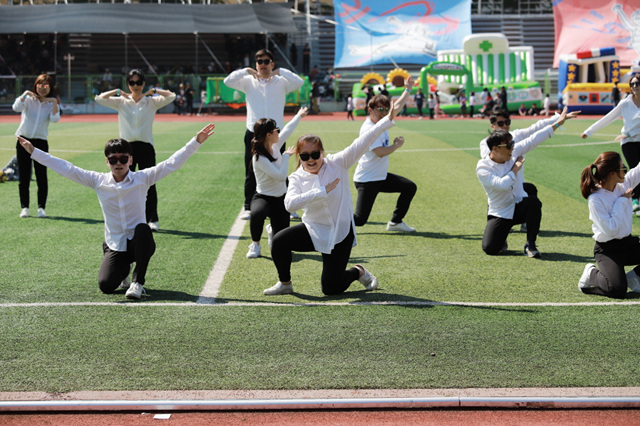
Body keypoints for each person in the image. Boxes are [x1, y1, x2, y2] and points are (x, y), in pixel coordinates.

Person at [17, 124, 216, 299]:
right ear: (107, 162)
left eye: (123, 158)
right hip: (116, 244)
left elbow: (171, 163)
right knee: (106, 286)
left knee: (143, 229)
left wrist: (196, 142)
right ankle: (123, 270)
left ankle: (138, 283)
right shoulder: (98, 181)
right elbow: (67, 168)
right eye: (113, 160)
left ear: (130, 160)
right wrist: (34, 152)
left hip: (139, 242)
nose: (118, 163)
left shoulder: (143, 178)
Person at [263, 103, 399, 296]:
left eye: (315, 154)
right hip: (314, 229)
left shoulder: (338, 163)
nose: (311, 159)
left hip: (340, 233)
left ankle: (358, 271)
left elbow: (363, 141)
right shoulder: (296, 177)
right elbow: (290, 204)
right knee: (278, 241)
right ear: (299, 157)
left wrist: (386, 121)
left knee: (330, 288)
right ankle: (285, 284)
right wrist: (320, 191)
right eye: (305, 156)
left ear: (322, 153)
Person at [476, 107, 573, 258]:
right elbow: (503, 185)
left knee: (533, 202)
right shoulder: (483, 167)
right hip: (500, 211)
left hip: (518, 205)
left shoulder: (513, 152)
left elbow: (534, 138)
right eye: (508, 146)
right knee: (490, 249)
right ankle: (502, 236)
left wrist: (557, 123)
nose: (512, 149)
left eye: (512, 145)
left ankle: (530, 244)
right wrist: (515, 169)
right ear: (495, 149)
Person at [223, 49, 304, 220]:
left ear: (272, 64)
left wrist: (280, 71)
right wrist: (246, 70)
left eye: (267, 61)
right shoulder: (248, 81)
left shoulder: (281, 82)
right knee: (251, 170)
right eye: (259, 61)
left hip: (275, 135)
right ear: (256, 64)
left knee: (280, 169)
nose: (263, 65)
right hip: (254, 133)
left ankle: (288, 206)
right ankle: (248, 207)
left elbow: (299, 82)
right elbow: (227, 81)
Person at [95, 69, 176, 232]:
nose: (135, 85)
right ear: (128, 84)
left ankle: (152, 219)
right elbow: (99, 98)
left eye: (139, 82)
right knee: (125, 183)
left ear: (143, 83)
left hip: (146, 147)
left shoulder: (151, 102)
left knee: (149, 183)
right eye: (132, 82)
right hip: (126, 149)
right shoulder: (121, 102)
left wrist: (153, 91)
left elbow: (171, 96)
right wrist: (117, 92)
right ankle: (127, 220)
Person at [353, 77, 417, 232]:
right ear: (370, 110)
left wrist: (407, 89)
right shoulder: (369, 128)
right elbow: (380, 152)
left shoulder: (381, 121)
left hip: (380, 177)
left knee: (409, 187)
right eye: (380, 109)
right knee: (360, 220)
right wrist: (395, 146)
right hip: (367, 180)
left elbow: (397, 107)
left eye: (386, 109)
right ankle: (328, 221)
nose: (384, 113)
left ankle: (395, 222)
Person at [247, 107, 308, 259]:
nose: (278, 133)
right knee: (257, 213)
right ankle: (255, 244)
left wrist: (298, 115)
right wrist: (285, 156)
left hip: (281, 198)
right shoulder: (259, 158)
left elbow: (288, 129)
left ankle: (272, 231)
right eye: (276, 130)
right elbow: (280, 176)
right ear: (268, 135)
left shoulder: (274, 145)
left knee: (281, 243)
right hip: (264, 197)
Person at [578, 151, 640, 298]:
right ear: (612, 173)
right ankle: (592, 274)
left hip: (628, 244)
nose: (625, 171)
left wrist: (623, 198)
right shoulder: (595, 199)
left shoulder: (623, 184)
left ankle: (634, 276)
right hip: (608, 250)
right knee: (617, 290)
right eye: (623, 168)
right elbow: (611, 229)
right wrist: (622, 200)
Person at [582, 74, 640, 214]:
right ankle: (635, 200)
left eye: (637, 84)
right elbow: (608, 118)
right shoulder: (625, 103)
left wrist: (629, 133)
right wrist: (589, 131)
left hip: (632, 137)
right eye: (632, 84)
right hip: (628, 142)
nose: (634, 86)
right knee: (635, 169)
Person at [13, 73, 60, 218]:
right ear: (35, 85)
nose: (42, 88)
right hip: (23, 140)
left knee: (41, 176)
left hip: (40, 142)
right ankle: (25, 207)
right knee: (24, 176)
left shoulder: (50, 103)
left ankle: (41, 208)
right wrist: (25, 94)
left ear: (50, 87)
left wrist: (54, 102)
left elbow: (55, 118)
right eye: (40, 85)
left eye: (46, 85)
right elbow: (16, 107)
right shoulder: (28, 100)